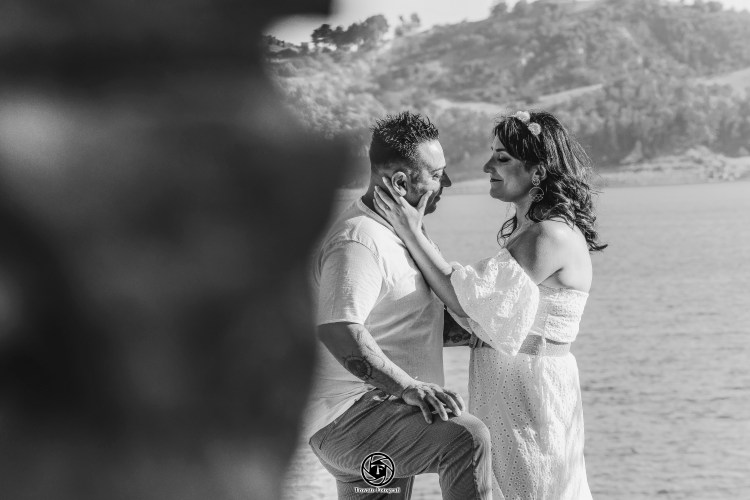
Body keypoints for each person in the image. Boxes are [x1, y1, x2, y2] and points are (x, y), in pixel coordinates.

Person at [373, 110, 606, 500]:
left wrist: (409, 229)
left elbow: (463, 299)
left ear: (538, 171)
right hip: (510, 384)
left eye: (502, 158)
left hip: (530, 391)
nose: (487, 167)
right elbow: (475, 307)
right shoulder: (533, 230)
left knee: (533, 487)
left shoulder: (549, 235)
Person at [307, 111, 495, 500]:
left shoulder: (395, 237)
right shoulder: (358, 241)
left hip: (375, 418)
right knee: (466, 438)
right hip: (353, 420)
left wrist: (486, 331)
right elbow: (338, 329)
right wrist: (410, 388)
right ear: (399, 182)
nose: (447, 183)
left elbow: (407, 322)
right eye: (437, 174)